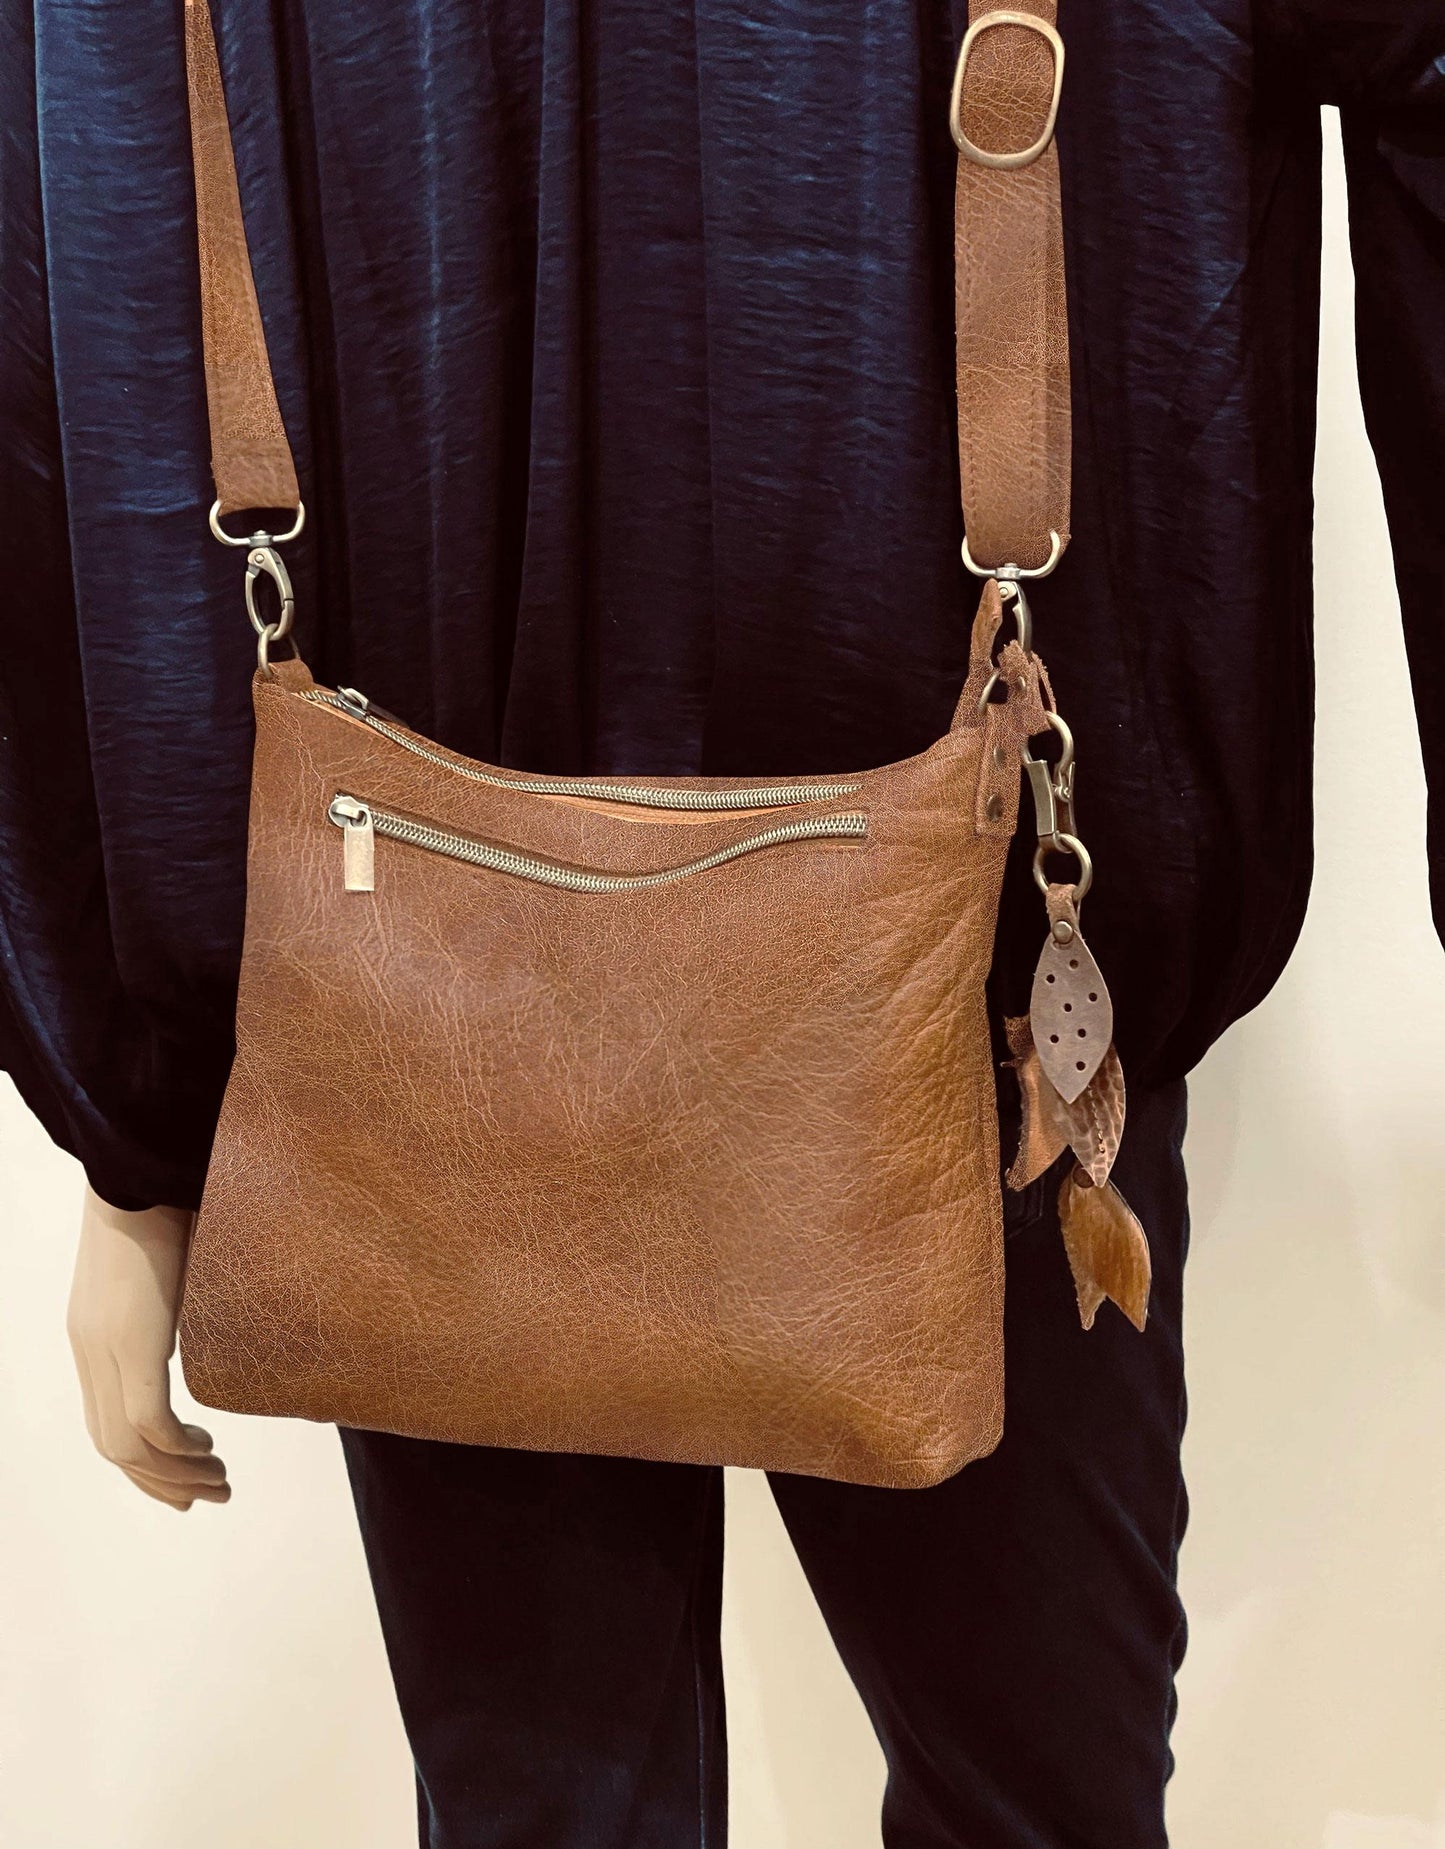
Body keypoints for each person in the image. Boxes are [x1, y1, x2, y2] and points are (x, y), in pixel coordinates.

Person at [5, 2, 1444, 1843]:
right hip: (653, 1012)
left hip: (609, 1004)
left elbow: (87, 289)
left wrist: (135, 1110)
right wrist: (129, 1104)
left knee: (603, 1805)